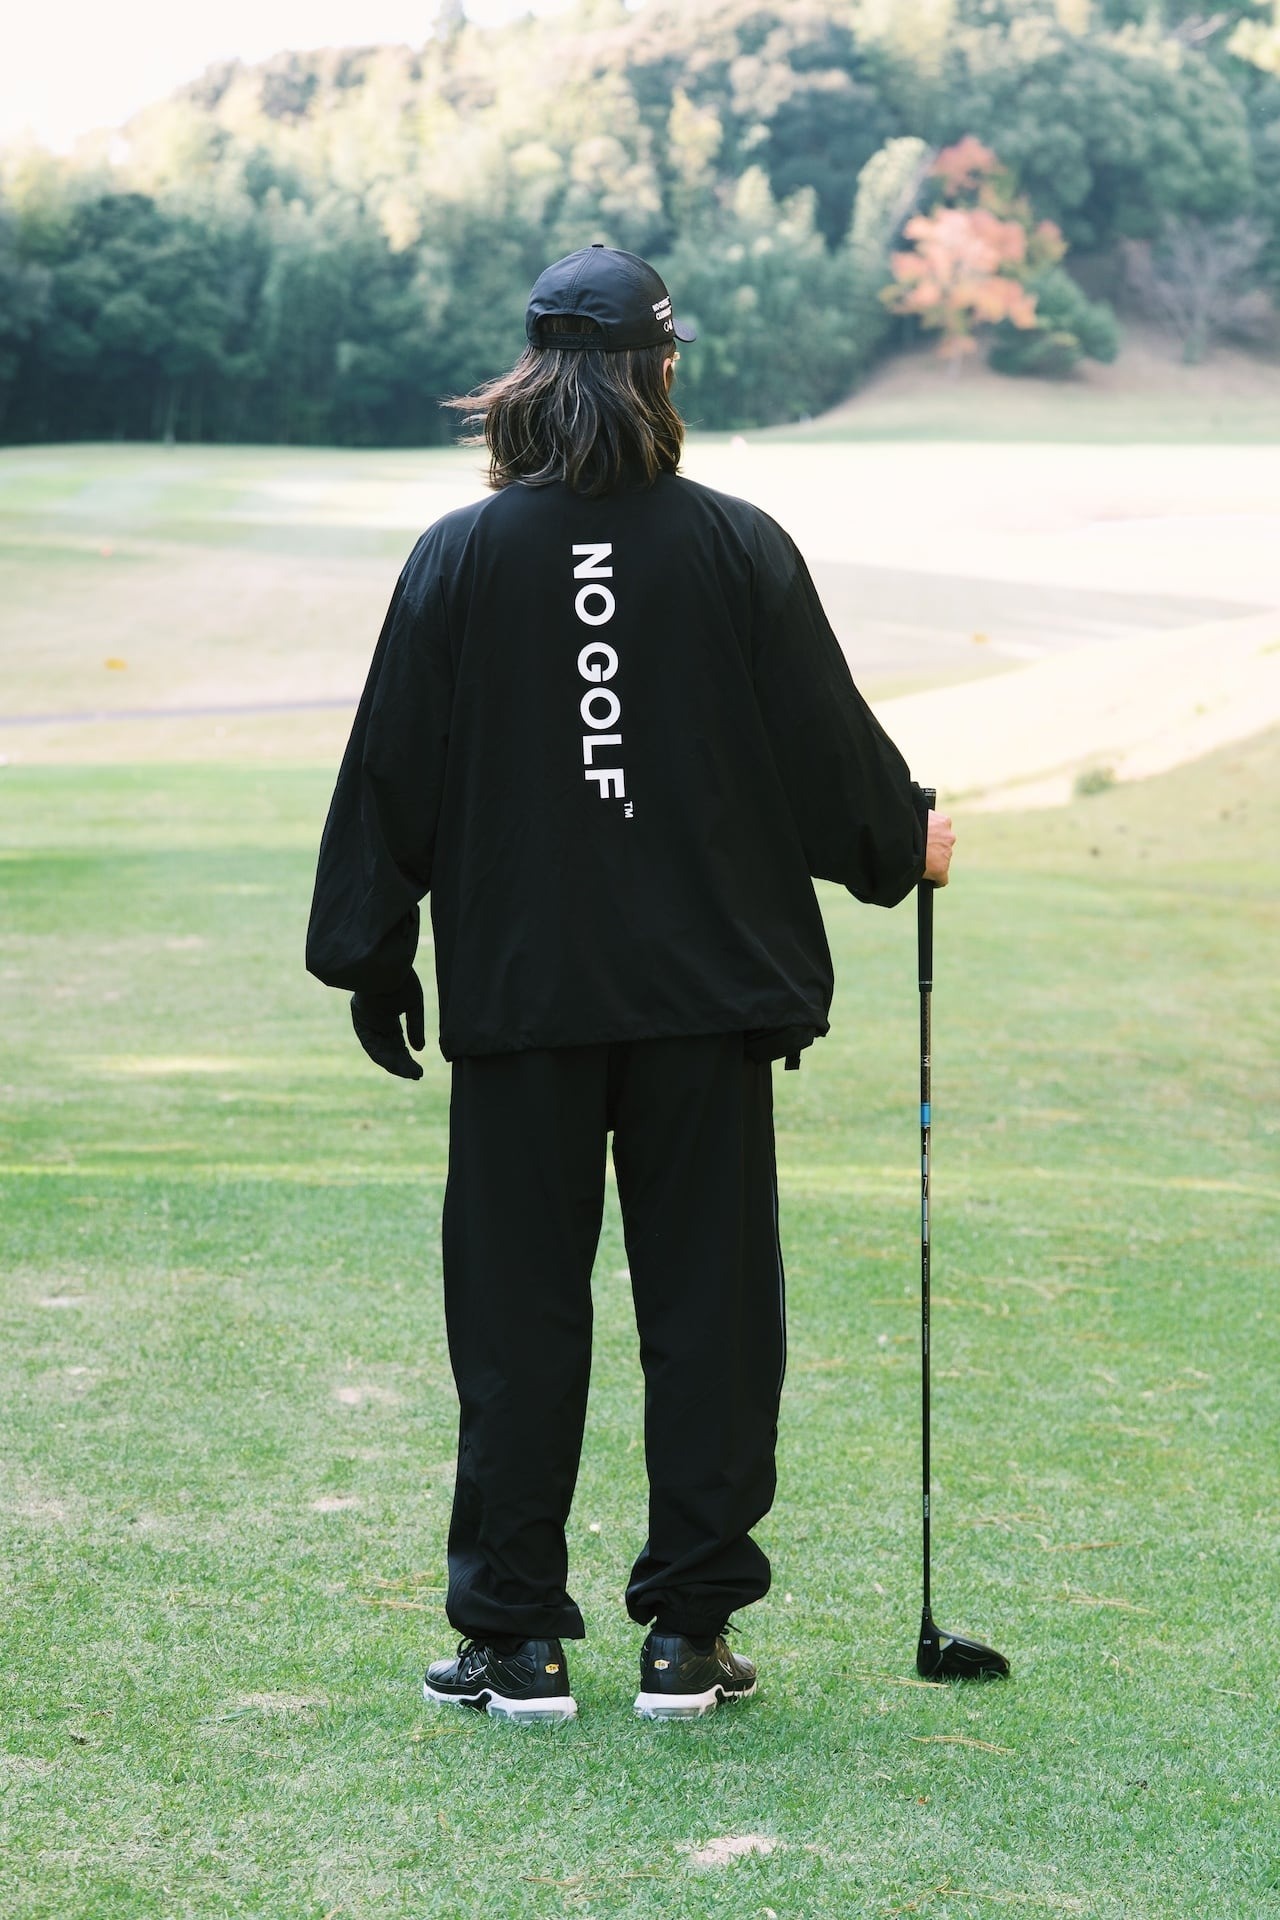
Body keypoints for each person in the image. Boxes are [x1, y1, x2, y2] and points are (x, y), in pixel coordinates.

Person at [306, 244, 955, 1726]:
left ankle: (516, 1641)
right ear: (660, 371)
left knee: (515, 1319)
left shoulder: (459, 556)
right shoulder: (737, 545)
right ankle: (689, 1636)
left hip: (525, 1002)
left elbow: (391, 769)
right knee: (712, 1316)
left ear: (529, 379)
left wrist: (371, 953)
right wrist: (900, 835)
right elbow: (825, 755)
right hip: (701, 1006)